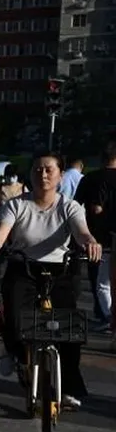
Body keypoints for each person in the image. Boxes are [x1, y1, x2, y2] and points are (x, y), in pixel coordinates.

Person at [0, 153, 104, 410]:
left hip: (60, 270)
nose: (43, 175)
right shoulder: (16, 205)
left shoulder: (69, 206)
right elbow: (3, 228)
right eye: (38, 170)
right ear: (30, 174)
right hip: (23, 267)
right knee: (16, 320)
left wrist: (90, 243)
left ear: (60, 175)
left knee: (69, 330)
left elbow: (81, 232)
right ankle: (17, 356)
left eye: (49, 170)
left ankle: (70, 387)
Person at [76, 139, 116, 330]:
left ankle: (105, 316)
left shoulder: (90, 179)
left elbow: (76, 206)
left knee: (99, 281)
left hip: (97, 237)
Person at [0, 164, 26, 233]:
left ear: (16, 176)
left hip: (18, 221)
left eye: (13, 176)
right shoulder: (0, 188)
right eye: (9, 176)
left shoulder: (23, 188)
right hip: (2, 220)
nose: (11, 178)